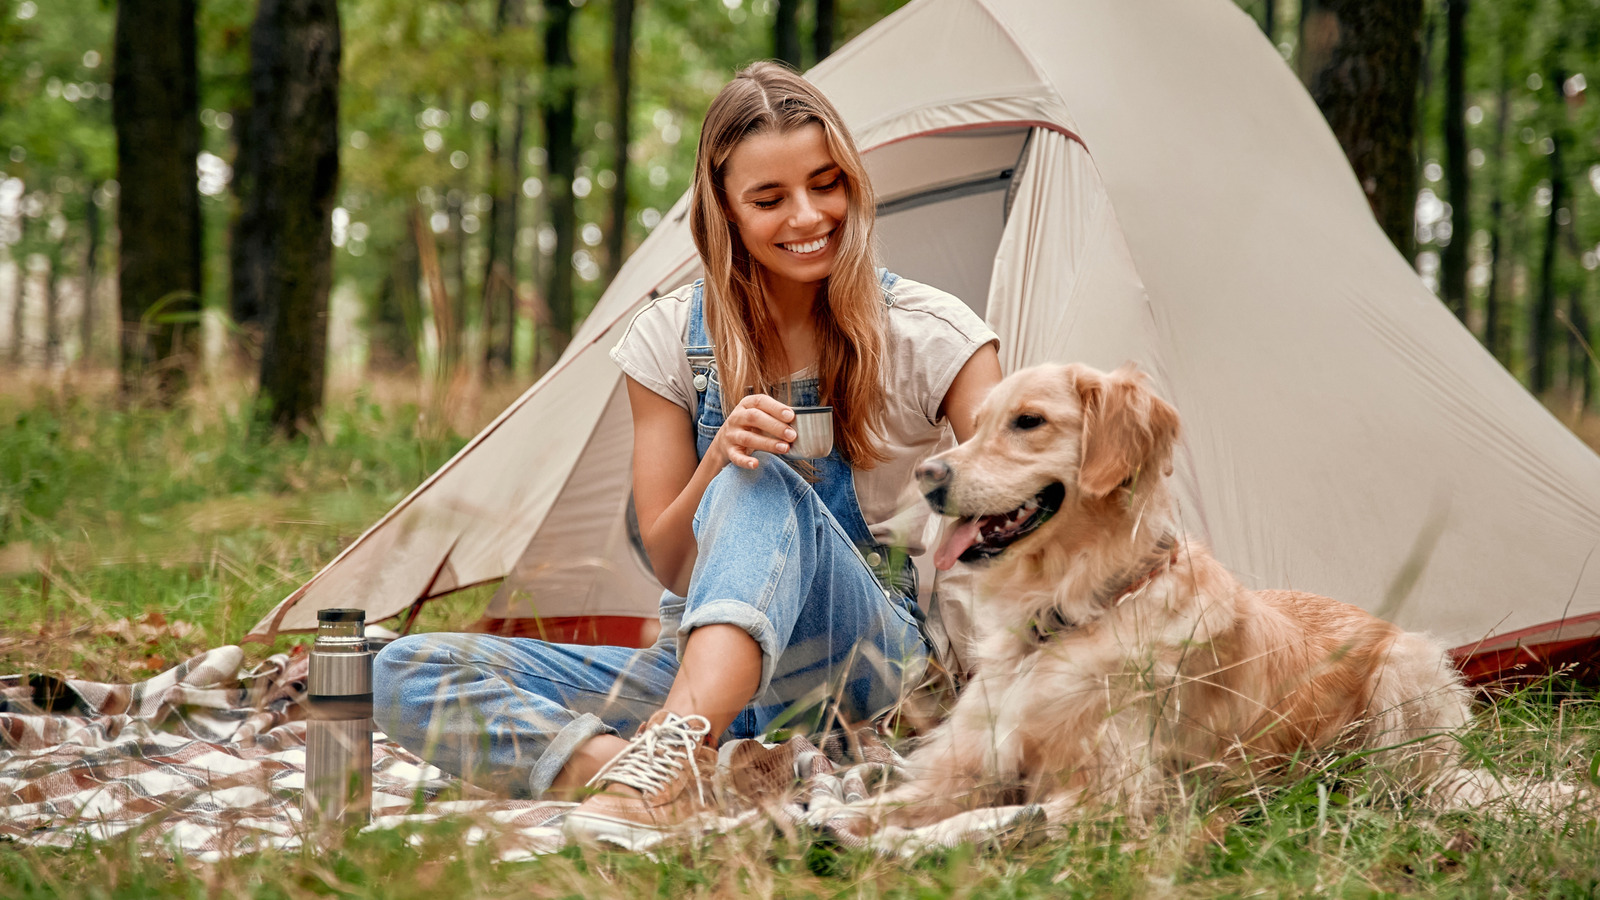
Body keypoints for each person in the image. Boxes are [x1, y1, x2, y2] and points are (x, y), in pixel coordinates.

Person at [372, 61, 1001, 848]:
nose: (808, 216)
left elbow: (1023, 506)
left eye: (826, 183)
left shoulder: (932, 333)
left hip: (874, 667)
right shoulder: (672, 340)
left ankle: (671, 754)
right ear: (726, 212)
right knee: (400, 671)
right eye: (769, 199)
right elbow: (672, 567)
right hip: (704, 677)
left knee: (765, 481)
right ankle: (660, 772)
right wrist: (715, 462)